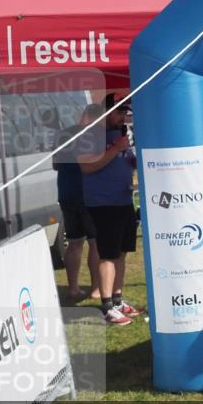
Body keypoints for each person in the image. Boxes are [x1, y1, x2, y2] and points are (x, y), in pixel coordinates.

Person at [76, 94, 142, 326]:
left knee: (122, 253)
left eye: (126, 112)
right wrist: (115, 149)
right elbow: (86, 166)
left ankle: (118, 299)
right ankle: (106, 306)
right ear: (106, 112)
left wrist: (135, 161)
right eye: (119, 112)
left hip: (124, 198)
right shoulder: (89, 135)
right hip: (102, 203)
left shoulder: (121, 134)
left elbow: (126, 159)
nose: (123, 117)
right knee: (108, 255)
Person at [53, 104, 102, 304]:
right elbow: (96, 164)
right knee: (95, 242)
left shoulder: (62, 134)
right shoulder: (96, 135)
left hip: (66, 192)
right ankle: (97, 289)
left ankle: (73, 288)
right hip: (88, 193)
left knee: (74, 242)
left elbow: (55, 165)